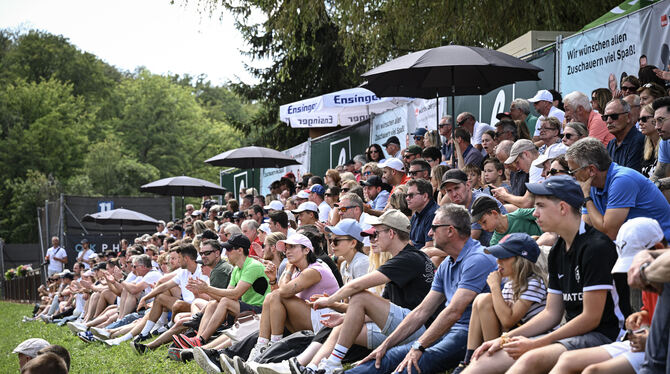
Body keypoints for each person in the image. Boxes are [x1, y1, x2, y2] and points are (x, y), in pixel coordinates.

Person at [465, 175, 623, 374]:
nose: (535, 213)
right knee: (486, 360)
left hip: (605, 336)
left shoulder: (595, 247)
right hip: (569, 334)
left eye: (540, 206)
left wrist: (536, 343)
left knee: (530, 358)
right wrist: (504, 338)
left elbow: (590, 318)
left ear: (563, 208)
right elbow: (552, 313)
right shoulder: (558, 250)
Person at [346, 204, 497, 374]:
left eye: (434, 228)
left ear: (450, 231)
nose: (430, 233)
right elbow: (421, 311)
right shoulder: (447, 264)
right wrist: (384, 345)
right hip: (447, 330)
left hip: (468, 333)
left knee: (409, 365)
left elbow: (454, 311)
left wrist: (419, 346)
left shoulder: (477, 259)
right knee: (384, 357)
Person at [308, 210, 436, 374]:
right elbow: (384, 308)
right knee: (342, 326)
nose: (373, 239)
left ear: (391, 233)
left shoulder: (408, 258)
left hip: (421, 330)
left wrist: (329, 301)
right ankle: (311, 368)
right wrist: (346, 317)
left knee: (360, 295)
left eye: (376, 233)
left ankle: (333, 362)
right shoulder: (405, 258)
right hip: (409, 326)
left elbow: (356, 287)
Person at [550, 217, 664, 374]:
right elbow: (651, 312)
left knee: (593, 371)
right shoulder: (650, 280)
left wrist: (652, 340)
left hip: (659, 345)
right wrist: (641, 316)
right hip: (650, 342)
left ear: (658, 248)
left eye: (639, 268)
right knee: (569, 361)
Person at [454, 233, 548, 373]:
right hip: (513, 333)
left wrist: (495, 287)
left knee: (487, 298)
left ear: (520, 260)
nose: (498, 262)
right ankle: (468, 359)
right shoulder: (510, 283)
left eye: (504, 257)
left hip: (534, 338)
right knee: (483, 299)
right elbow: (504, 317)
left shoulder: (534, 282)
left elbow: (507, 321)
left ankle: (490, 358)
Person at [168, 235, 270, 350]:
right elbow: (228, 293)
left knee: (223, 301)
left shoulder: (252, 266)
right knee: (213, 303)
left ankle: (200, 338)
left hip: (261, 310)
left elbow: (235, 294)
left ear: (240, 250)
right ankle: (198, 338)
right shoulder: (237, 268)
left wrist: (207, 289)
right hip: (247, 308)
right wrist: (203, 290)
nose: (226, 253)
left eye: (229, 249)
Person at [566, 137, 670, 241]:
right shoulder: (591, 184)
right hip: (635, 244)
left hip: (661, 247)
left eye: (573, 171)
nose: (572, 177)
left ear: (591, 170)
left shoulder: (623, 180)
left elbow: (609, 233)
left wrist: (586, 198)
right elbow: (585, 228)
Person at [470, 195, 542, 246]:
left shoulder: (520, 215)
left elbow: (544, 213)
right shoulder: (495, 243)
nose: (483, 227)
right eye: (480, 224)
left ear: (494, 213)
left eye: (484, 222)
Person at [604, 98, 645, 172]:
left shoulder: (638, 141)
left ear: (628, 117)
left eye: (614, 116)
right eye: (605, 117)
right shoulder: (611, 144)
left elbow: (630, 176)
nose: (609, 121)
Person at [407, 178, 438, 250]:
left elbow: (429, 247)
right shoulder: (416, 214)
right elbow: (410, 241)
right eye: (407, 195)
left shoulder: (434, 214)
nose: (407, 198)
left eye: (411, 195)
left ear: (425, 196)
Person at [651, 97, 670, 201]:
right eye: (655, 122)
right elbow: (658, 173)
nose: (656, 127)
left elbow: (658, 181)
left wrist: (658, 184)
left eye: (661, 120)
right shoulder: (665, 141)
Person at [639, 103, 659, 177]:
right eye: (639, 119)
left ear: (656, 119)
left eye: (644, 119)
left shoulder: (666, 145)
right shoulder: (645, 147)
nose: (640, 123)